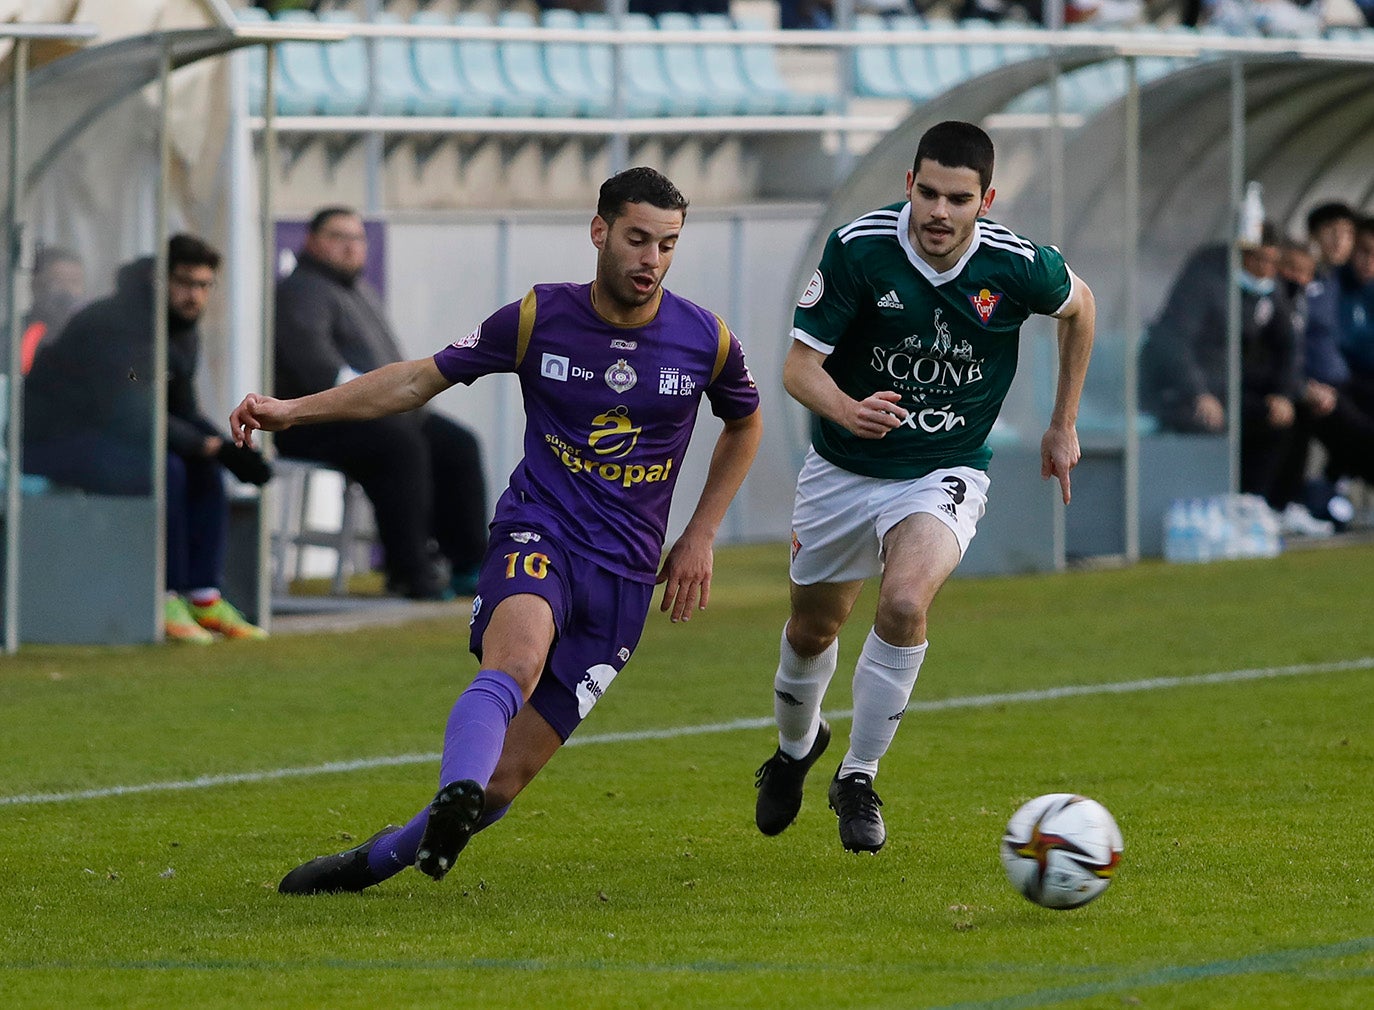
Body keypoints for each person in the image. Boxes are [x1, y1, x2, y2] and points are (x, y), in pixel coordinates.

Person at [231, 167, 763, 894]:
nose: (651, 260)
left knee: (504, 783)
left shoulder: (704, 339)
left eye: (667, 244)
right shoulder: (538, 317)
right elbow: (417, 380)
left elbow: (745, 421)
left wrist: (701, 533)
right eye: (638, 239)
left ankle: (377, 859)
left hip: (625, 578)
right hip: (539, 531)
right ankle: (454, 795)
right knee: (513, 664)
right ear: (599, 230)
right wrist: (292, 410)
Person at [752, 121, 1094, 855]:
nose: (939, 212)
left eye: (958, 199)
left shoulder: (1016, 265)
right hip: (843, 469)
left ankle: (859, 775)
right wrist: (848, 408)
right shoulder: (860, 248)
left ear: (986, 200)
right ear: (909, 184)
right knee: (813, 629)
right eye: (928, 193)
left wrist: (1062, 424)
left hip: (945, 468)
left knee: (905, 602)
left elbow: (1081, 308)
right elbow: (796, 369)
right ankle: (793, 752)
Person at [23, 234, 271, 642]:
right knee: (166, 468)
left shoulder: (182, 329)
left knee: (200, 465)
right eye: (186, 282)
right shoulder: (118, 323)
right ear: (161, 280)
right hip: (50, 443)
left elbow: (183, 410)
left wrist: (231, 447)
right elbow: (130, 411)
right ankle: (162, 595)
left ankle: (204, 597)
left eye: (204, 285)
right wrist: (209, 445)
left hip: (108, 438)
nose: (195, 295)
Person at [274, 206, 489, 600]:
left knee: (457, 443)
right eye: (339, 237)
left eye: (357, 238)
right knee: (399, 445)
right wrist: (380, 400)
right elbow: (318, 371)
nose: (350, 247)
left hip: (377, 414)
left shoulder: (356, 290)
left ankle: (468, 563)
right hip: (316, 420)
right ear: (311, 241)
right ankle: (409, 571)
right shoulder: (301, 291)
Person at [1138, 223, 1327, 532]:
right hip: (1177, 391)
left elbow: (1288, 345)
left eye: (1272, 262)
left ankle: (1260, 506)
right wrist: (1197, 392)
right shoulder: (1206, 282)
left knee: (1287, 413)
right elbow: (1174, 342)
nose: (1265, 270)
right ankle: (1216, 510)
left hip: (1228, 391)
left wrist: (1282, 392)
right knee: (1213, 422)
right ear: (1240, 254)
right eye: (1258, 260)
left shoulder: (1268, 290)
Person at [19, 246, 85, 375]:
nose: (67, 290)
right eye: (57, 281)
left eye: (74, 282)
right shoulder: (19, 331)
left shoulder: (91, 331)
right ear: (36, 285)